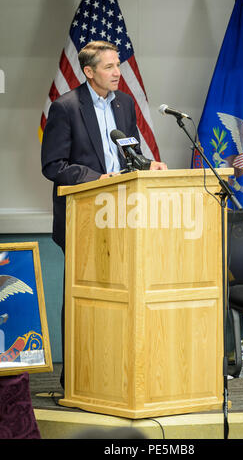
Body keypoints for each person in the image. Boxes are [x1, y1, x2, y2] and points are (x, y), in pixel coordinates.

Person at [41, 41, 167, 389]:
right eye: (110, 67)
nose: (117, 73)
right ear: (89, 71)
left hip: (125, 217)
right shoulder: (65, 108)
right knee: (85, 298)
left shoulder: (125, 103)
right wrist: (99, 179)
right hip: (84, 218)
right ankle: (78, 378)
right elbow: (53, 166)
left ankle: (117, 377)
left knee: (123, 297)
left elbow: (130, 155)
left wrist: (148, 165)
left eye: (118, 66)